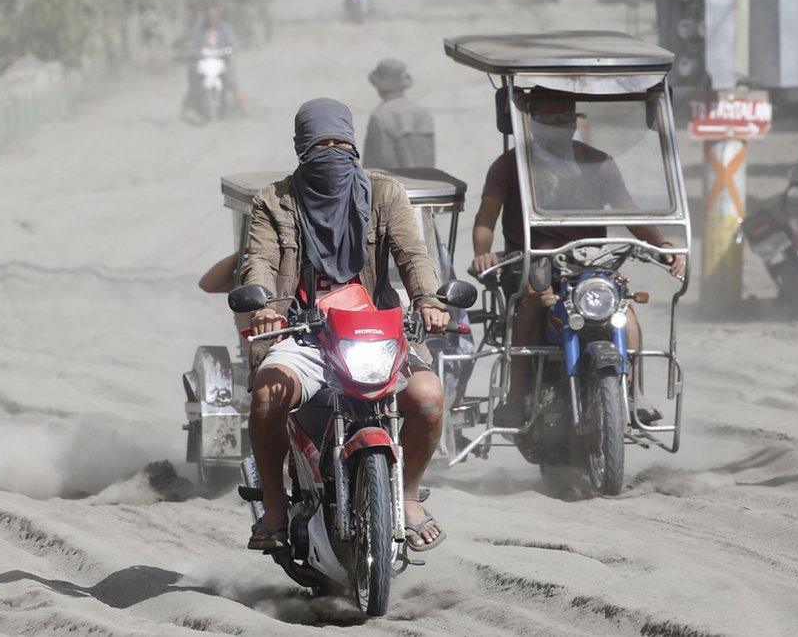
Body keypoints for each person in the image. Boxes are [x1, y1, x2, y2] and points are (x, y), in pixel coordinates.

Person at [241, 97, 449, 552]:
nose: (332, 152)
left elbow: (413, 255)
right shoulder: (273, 201)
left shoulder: (385, 193)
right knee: (265, 397)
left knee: (429, 397)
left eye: (341, 142)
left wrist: (428, 300)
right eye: (320, 144)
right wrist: (265, 307)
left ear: (354, 144)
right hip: (304, 333)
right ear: (301, 148)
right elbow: (259, 260)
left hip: (375, 331)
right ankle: (275, 509)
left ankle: (409, 498)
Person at [471, 89, 686, 425]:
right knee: (531, 300)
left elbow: (629, 213)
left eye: (564, 116)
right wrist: (482, 254)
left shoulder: (598, 161)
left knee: (623, 309)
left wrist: (662, 244)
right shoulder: (510, 165)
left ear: (575, 119)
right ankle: (514, 398)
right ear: (531, 119)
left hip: (588, 262)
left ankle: (634, 395)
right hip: (532, 260)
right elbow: (487, 215)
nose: (558, 124)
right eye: (549, 117)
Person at [363, 59, 436, 170]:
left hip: (393, 185)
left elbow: (373, 162)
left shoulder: (380, 116)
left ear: (379, 87)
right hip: (425, 183)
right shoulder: (422, 113)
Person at [182, 4, 249, 118]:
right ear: (206, 16)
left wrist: (235, 46)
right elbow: (191, 41)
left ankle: (244, 108)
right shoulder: (199, 28)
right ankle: (186, 109)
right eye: (210, 15)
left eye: (215, 15)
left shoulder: (225, 28)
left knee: (233, 82)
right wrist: (190, 50)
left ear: (219, 16)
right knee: (193, 81)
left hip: (222, 61)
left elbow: (234, 41)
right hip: (202, 60)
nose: (212, 18)